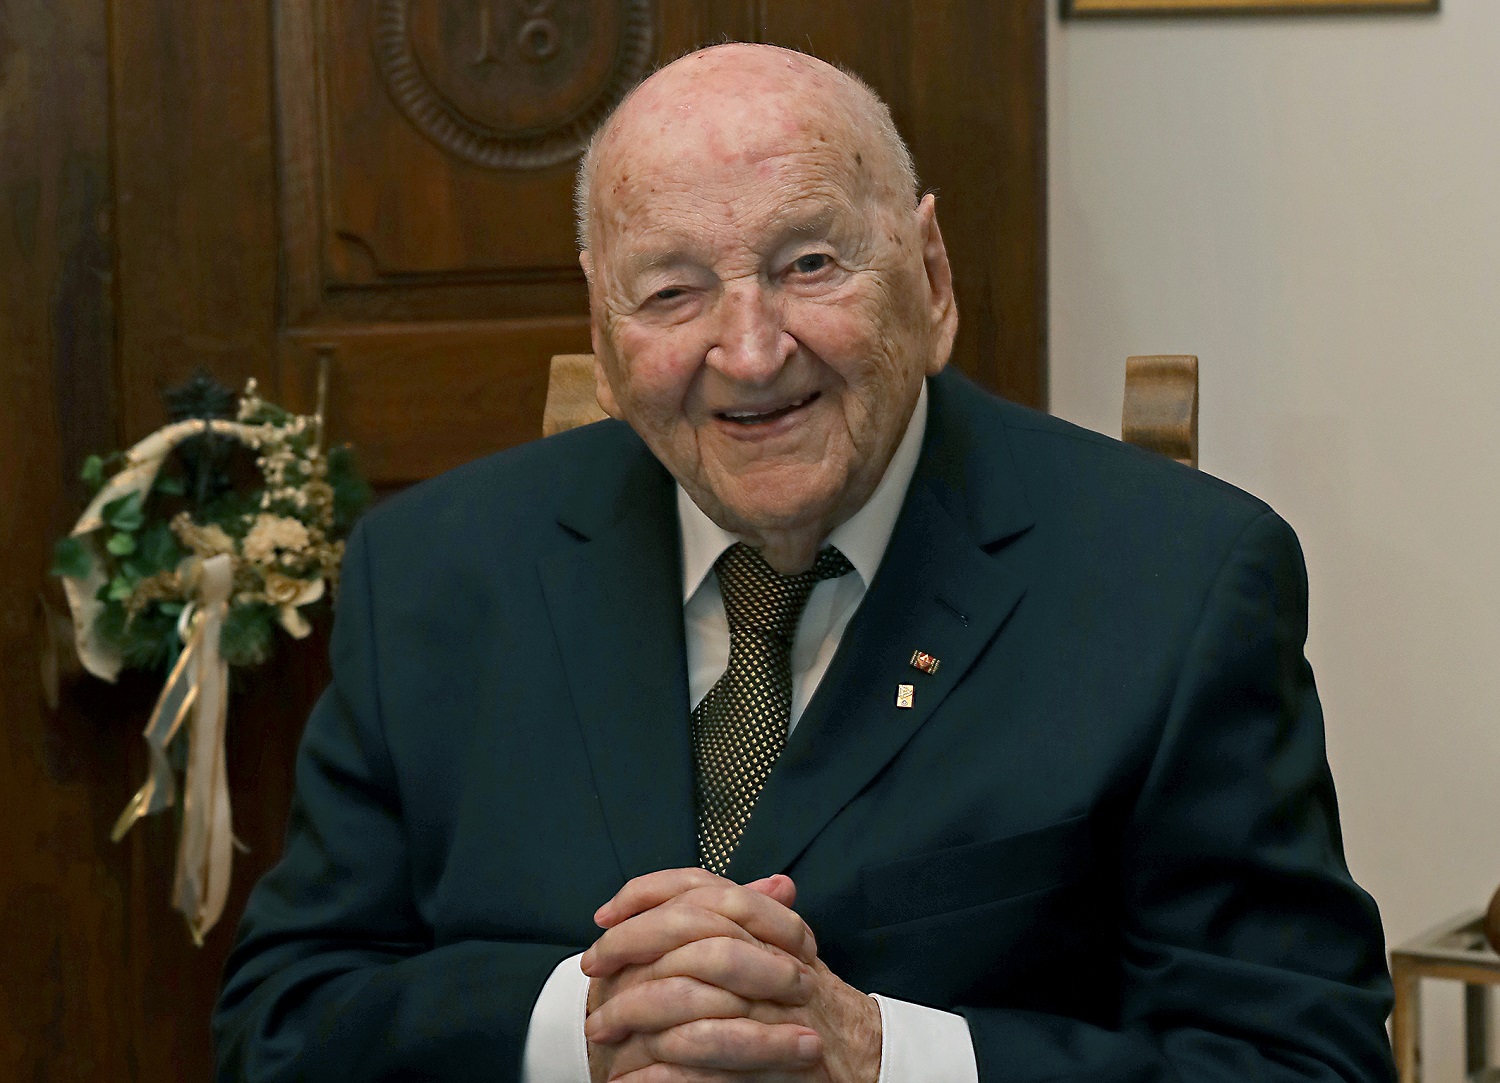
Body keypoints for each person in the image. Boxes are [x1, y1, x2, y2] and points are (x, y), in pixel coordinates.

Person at [214, 43, 1395, 1083]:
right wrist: (587, 1024)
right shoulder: (431, 572)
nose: (748, 351)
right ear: (604, 336)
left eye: (810, 264)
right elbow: (282, 1027)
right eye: (672, 290)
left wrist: (877, 1057)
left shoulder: (1178, 584)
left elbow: (1298, 1061)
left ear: (931, 277)